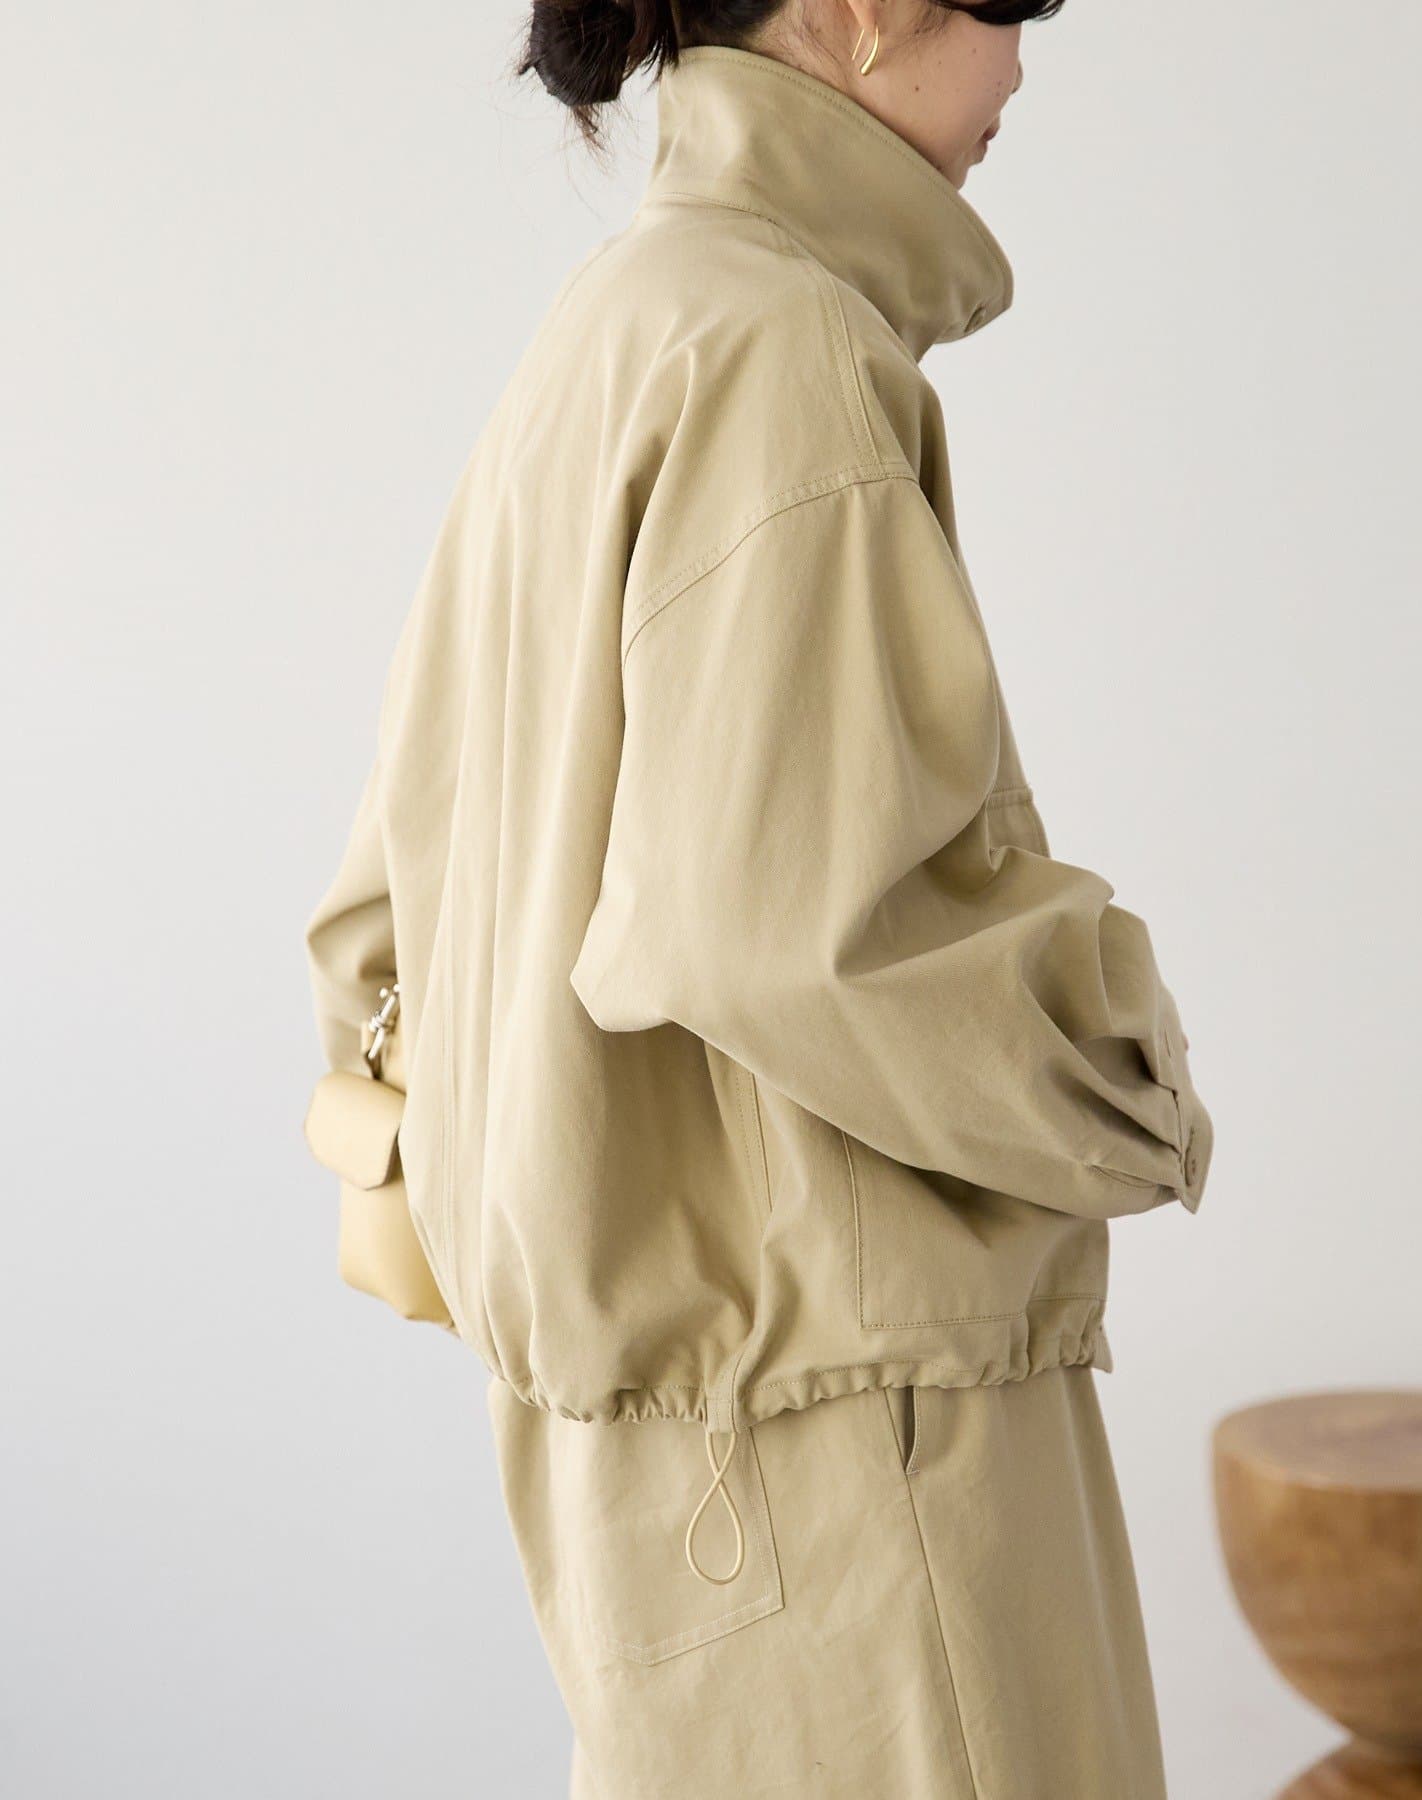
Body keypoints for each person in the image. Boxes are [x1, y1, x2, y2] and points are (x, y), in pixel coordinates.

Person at [304, 0, 1216, 1790]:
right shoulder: (779, 349)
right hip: (860, 1463)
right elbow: (785, 928)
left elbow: (377, 919)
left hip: (663, 1470)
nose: (1025, 63)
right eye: (1014, 3)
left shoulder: (615, 327)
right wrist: (1130, 1069)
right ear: (861, 13)